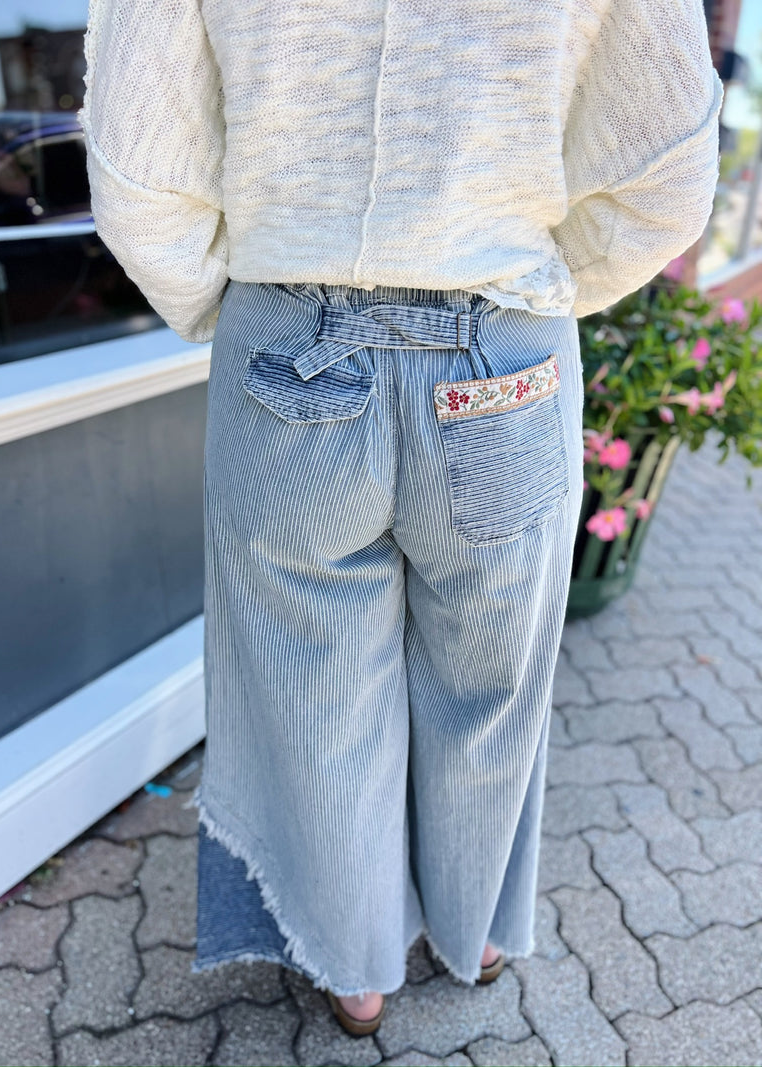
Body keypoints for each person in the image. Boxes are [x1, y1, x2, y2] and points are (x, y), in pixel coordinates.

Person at [80, 0, 721, 1036]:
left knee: (312, 683)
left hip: (286, 353)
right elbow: (668, 169)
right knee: (490, 681)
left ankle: (355, 968)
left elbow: (139, 169)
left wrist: (231, 306)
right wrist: (538, 291)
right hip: (501, 351)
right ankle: (468, 932)